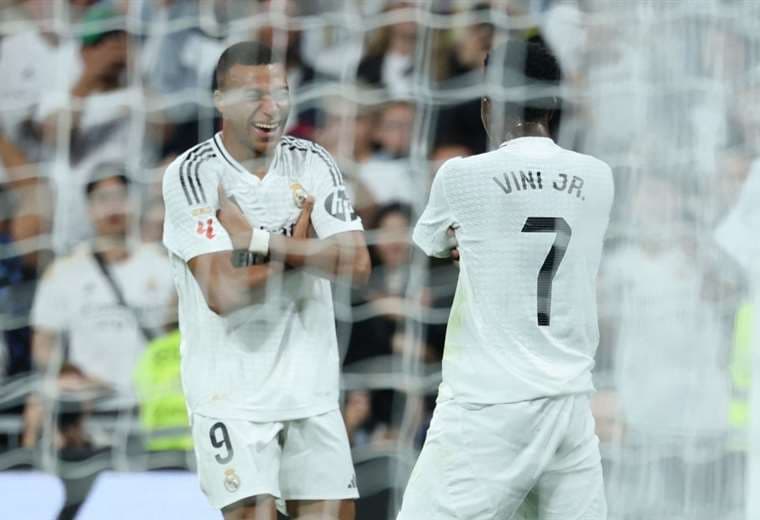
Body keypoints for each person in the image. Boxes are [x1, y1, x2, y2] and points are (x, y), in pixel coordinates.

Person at [397, 40, 614, 519]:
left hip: (488, 406)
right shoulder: (599, 178)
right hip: (569, 404)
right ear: (555, 105)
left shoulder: (460, 176)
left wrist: (475, 243)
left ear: (488, 105)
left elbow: (431, 244)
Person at [161, 41, 371, 520]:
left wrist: (259, 241)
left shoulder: (312, 161)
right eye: (253, 95)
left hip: (311, 391)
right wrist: (307, 250)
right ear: (219, 100)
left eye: (280, 93)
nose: (271, 109)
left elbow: (357, 266)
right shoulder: (193, 174)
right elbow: (222, 292)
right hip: (231, 397)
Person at [30, 166, 175, 406]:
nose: (113, 207)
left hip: (154, 404)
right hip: (90, 404)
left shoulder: (163, 265)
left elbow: (176, 336)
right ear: (88, 208)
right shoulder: (64, 272)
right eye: (103, 199)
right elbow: (43, 342)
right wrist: (68, 372)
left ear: (135, 203)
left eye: (121, 197)